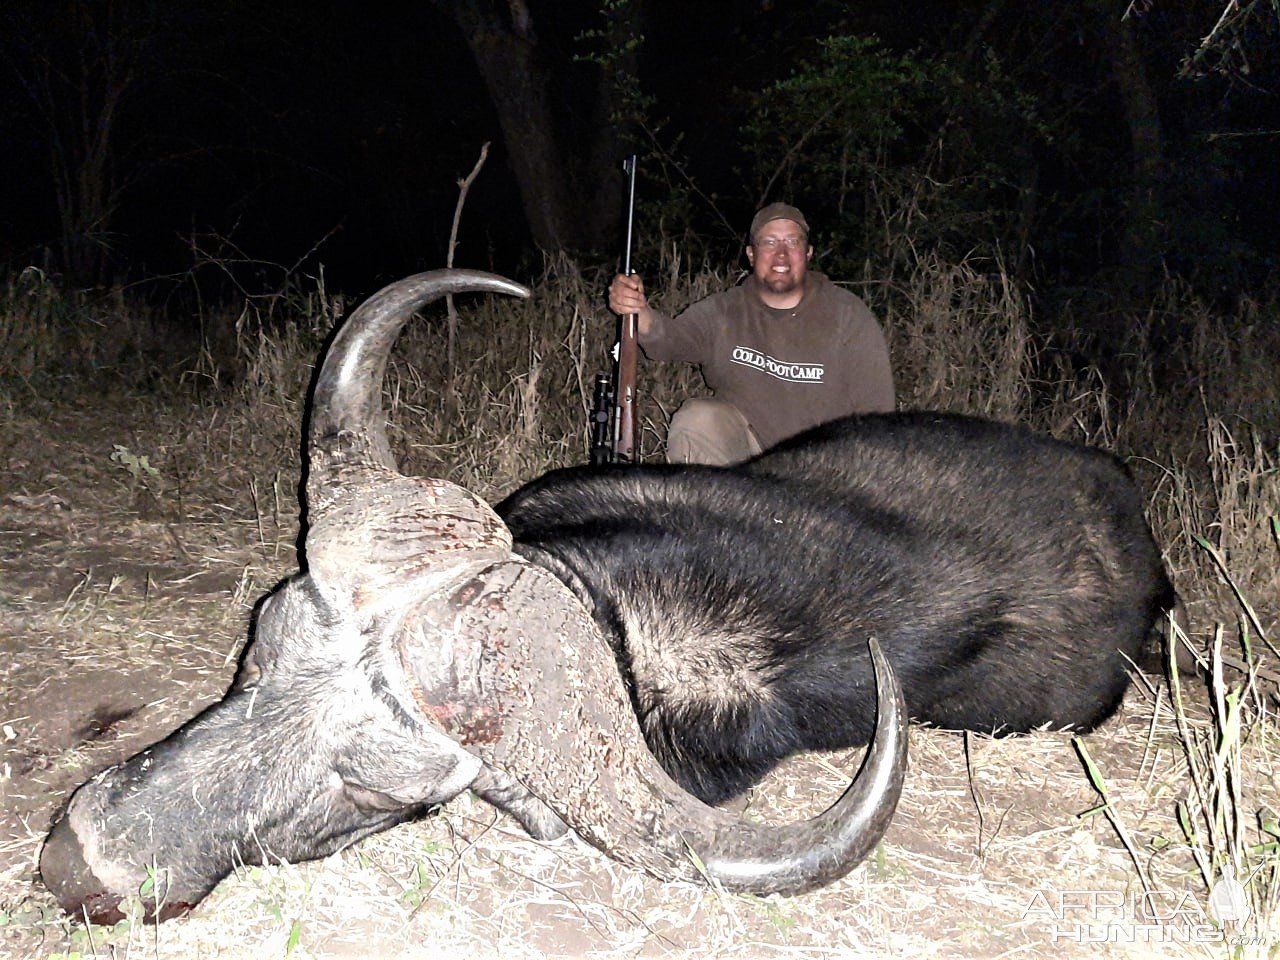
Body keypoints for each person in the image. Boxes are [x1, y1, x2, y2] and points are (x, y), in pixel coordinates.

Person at [607, 202, 895, 465]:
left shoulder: (848, 315)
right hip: (749, 460)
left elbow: (878, 418)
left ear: (808, 254)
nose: (781, 254)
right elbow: (668, 341)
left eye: (792, 242)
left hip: (822, 465)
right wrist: (637, 310)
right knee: (697, 419)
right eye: (769, 242)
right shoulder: (723, 310)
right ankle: (704, 517)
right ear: (751, 254)